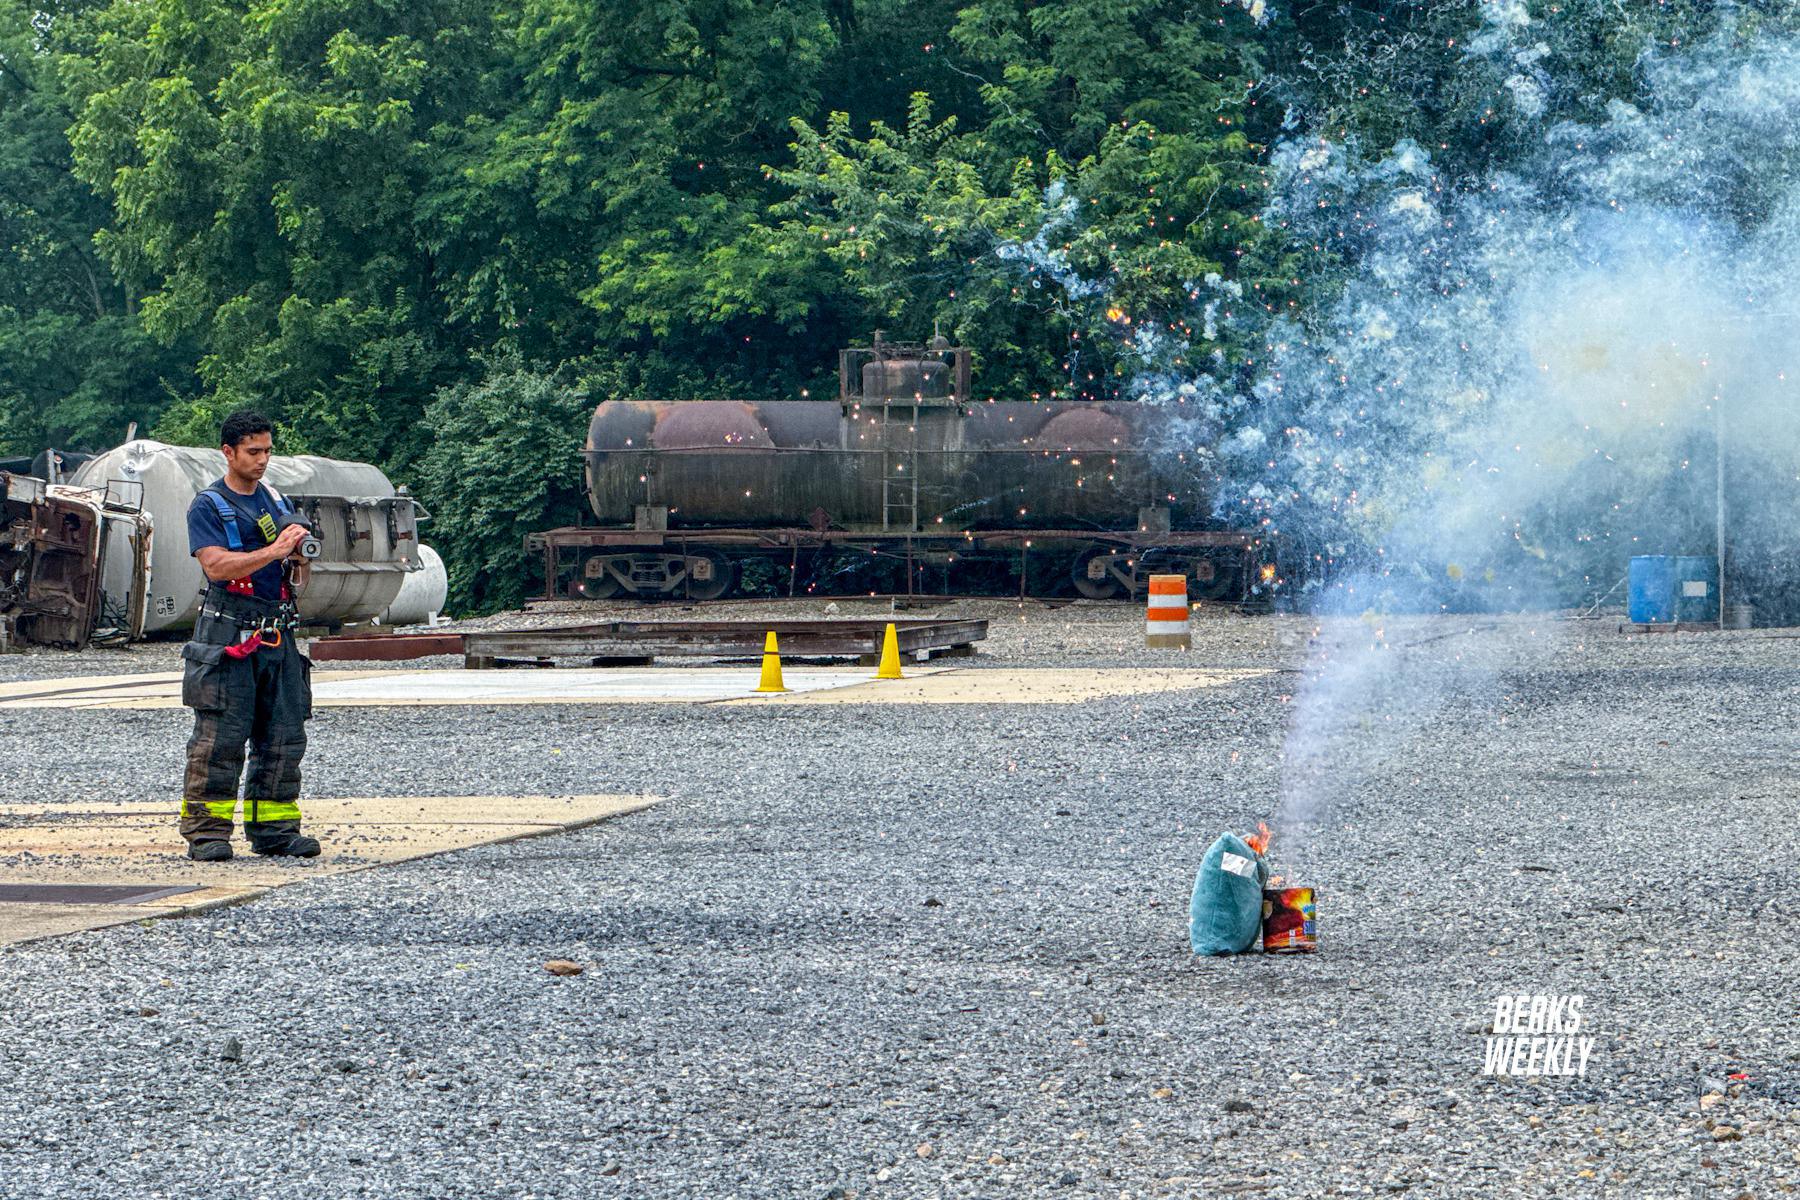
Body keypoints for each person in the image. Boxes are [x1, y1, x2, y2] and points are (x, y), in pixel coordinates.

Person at [178, 410, 321, 861]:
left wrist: (298, 560)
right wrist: (276, 548)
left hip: (278, 633)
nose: (262, 460)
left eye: (267, 451)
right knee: (221, 737)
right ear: (229, 452)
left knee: (283, 737)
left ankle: (275, 830)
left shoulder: (276, 501)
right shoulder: (209, 505)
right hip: (227, 636)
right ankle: (207, 833)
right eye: (253, 451)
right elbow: (216, 565)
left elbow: (295, 577)